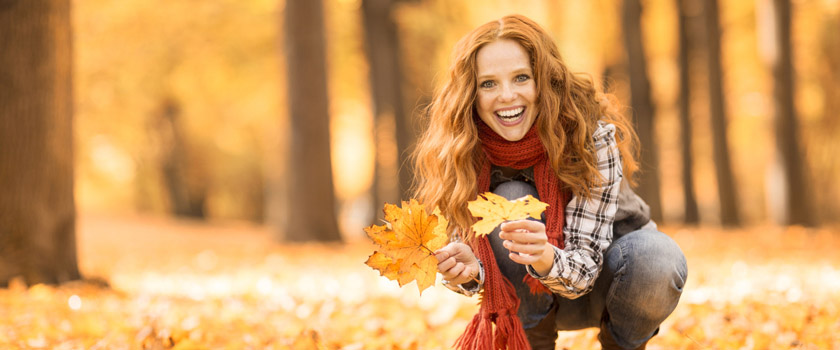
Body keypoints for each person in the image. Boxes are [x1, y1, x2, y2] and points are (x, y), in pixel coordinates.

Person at [412, 14, 687, 350]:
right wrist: (471, 272)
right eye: (488, 84)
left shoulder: (591, 137)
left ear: (544, 80)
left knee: (657, 256)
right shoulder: (463, 149)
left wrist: (543, 255)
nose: (507, 95)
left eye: (521, 78)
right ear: (471, 94)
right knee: (511, 197)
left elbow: (585, 270)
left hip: (610, 281)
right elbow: (471, 260)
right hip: (530, 304)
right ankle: (531, 344)